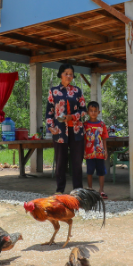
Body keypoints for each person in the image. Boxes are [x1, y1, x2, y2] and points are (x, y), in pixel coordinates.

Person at [45, 63, 87, 193]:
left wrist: (72, 117)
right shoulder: (54, 91)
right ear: (61, 75)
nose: (69, 76)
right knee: (60, 162)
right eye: (66, 73)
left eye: (71, 74)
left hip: (76, 132)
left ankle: (78, 191)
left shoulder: (77, 91)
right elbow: (49, 112)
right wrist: (51, 127)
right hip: (59, 132)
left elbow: (83, 110)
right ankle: (60, 190)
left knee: (77, 162)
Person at [83, 101, 109, 199]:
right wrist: (84, 150)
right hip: (89, 153)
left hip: (100, 153)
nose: (93, 112)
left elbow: (104, 138)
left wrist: (105, 150)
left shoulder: (102, 125)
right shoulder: (85, 125)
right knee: (89, 171)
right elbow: (84, 139)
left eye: (95, 111)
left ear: (99, 112)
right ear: (87, 112)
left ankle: (101, 190)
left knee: (101, 172)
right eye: (91, 110)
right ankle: (90, 189)